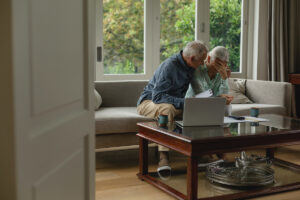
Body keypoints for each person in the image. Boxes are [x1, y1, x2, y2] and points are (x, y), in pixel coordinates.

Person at [137, 40, 209, 173]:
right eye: (201, 61)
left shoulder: (191, 66)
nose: (202, 64)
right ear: (192, 58)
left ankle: (203, 154)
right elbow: (157, 97)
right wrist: (185, 102)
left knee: (197, 109)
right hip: (148, 102)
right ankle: (163, 156)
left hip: (172, 103)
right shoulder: (170, 66)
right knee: (167, 109)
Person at [185, 46, 233, 161]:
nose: (221, 67)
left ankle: (220, 147)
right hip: (195, 104)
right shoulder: (198, 70)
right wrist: (218, 98)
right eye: (218, 63)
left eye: (224, 64)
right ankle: (207, 150)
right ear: (209, 58)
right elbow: (201, 94)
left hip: (212, 105)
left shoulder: (222, 73)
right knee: (209, 109)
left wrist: (224, 78)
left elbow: (224, 94)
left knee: (227, 107)